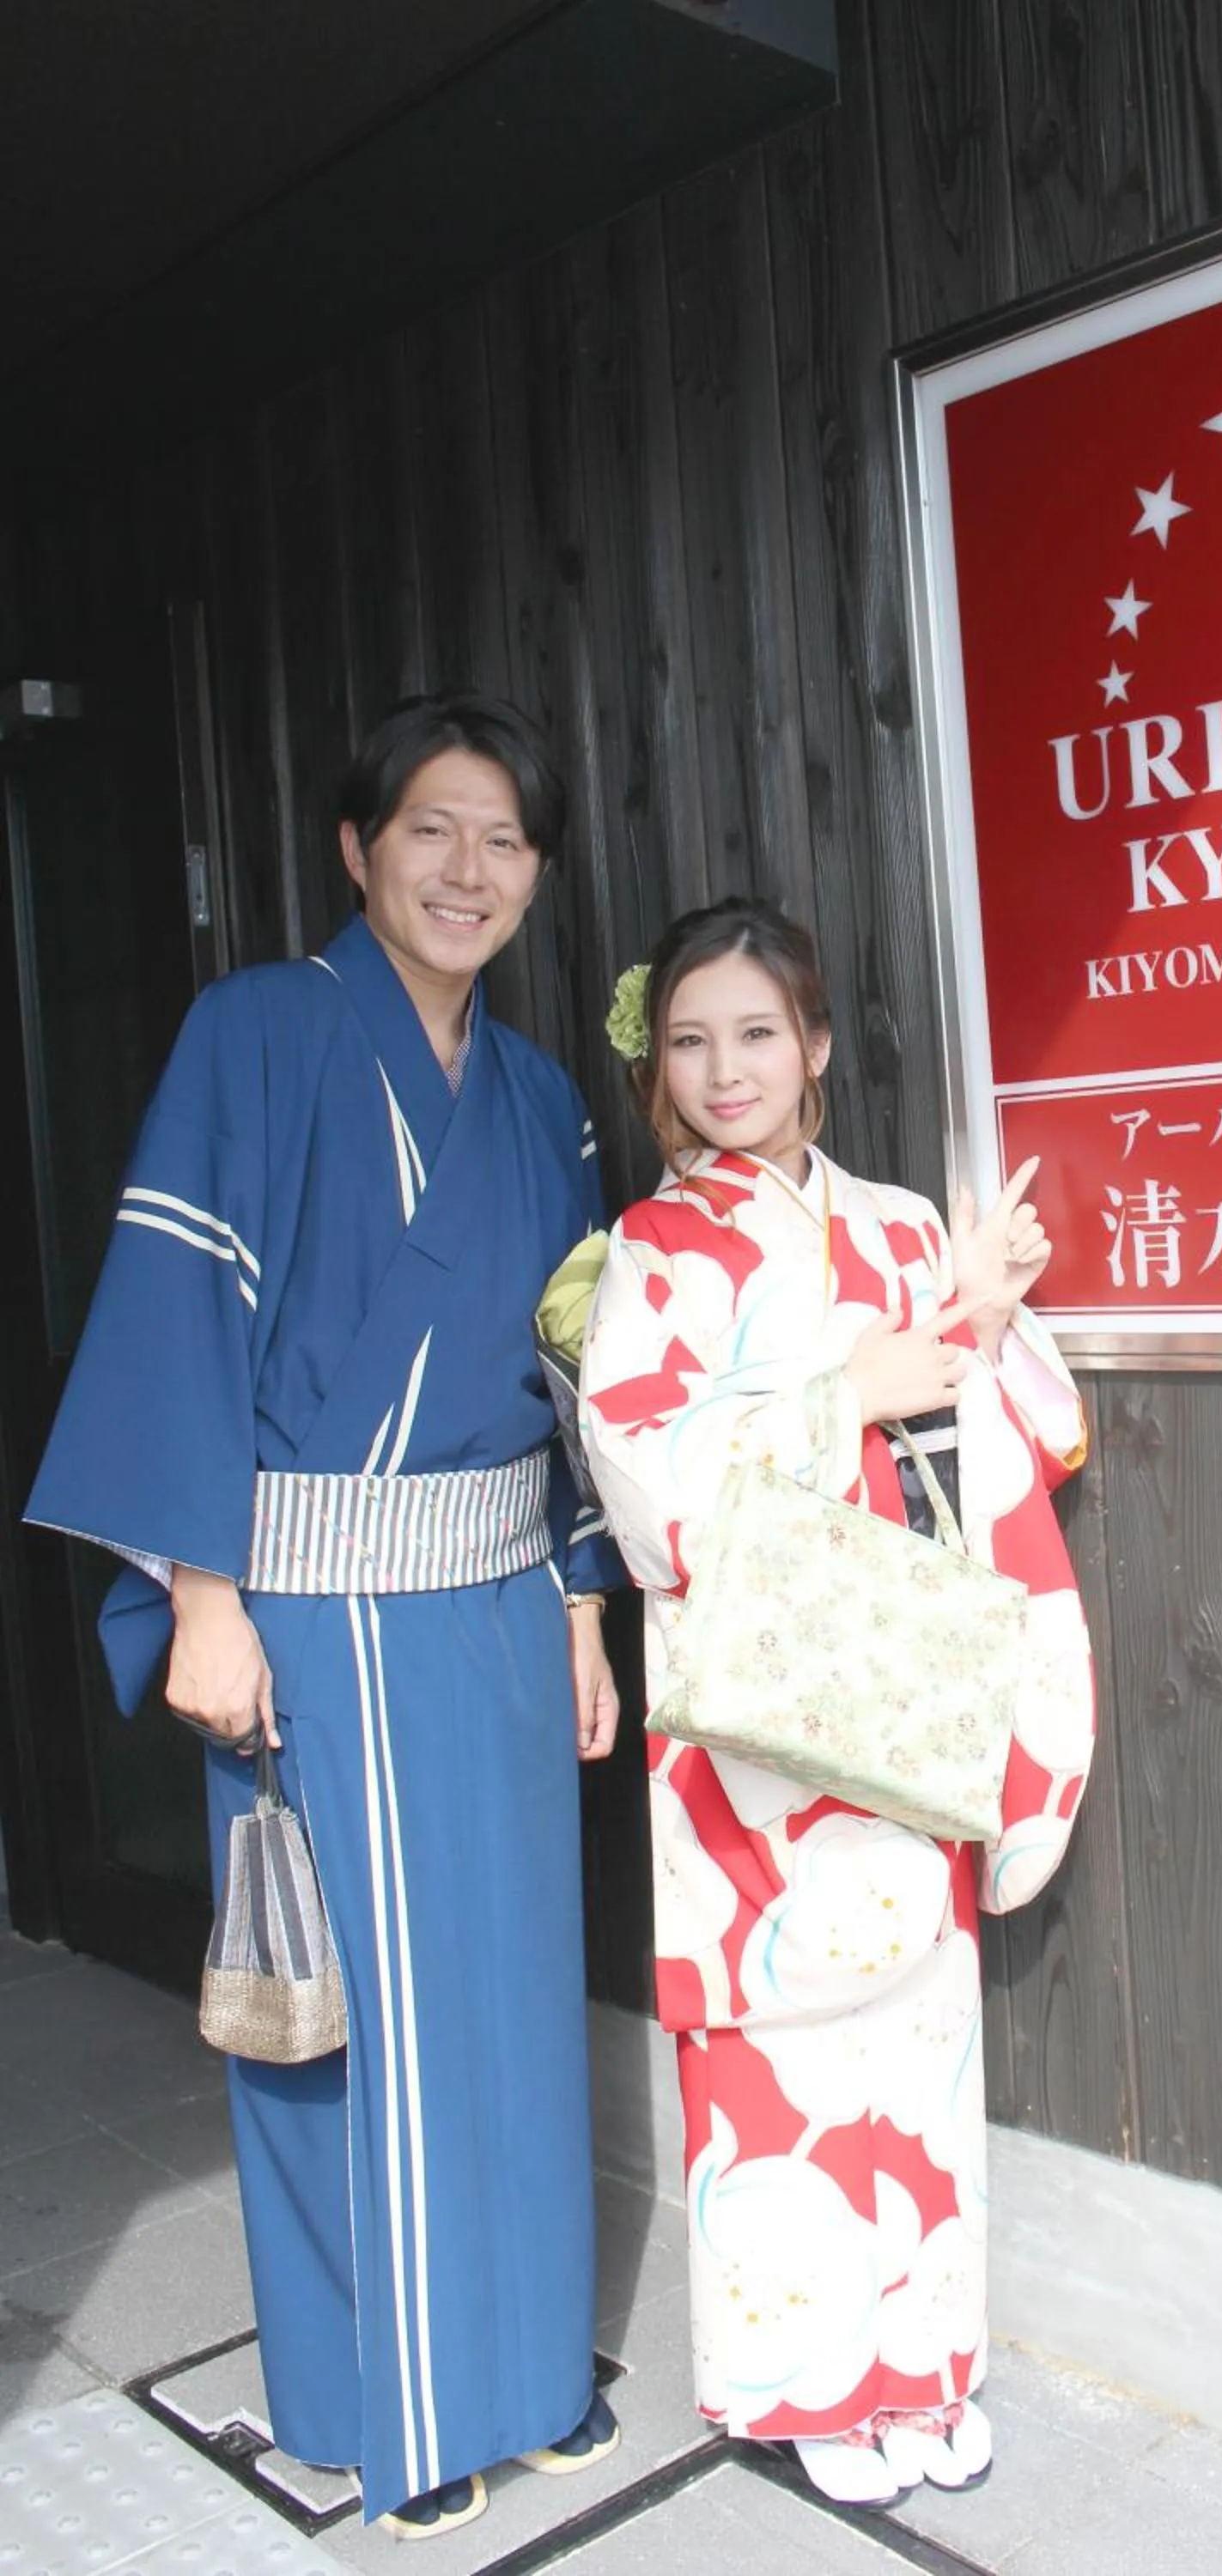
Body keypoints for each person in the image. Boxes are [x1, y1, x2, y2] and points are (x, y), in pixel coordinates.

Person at [27, 692, 628, 2536]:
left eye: (504, 840)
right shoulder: (260, 1033)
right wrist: (199, 1594)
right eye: (430, 831)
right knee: (339, 2008)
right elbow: (173, 1324)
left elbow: (576, 1371)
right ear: (358, 851)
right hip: (311, 1609)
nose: (469, 871)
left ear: (536, 875)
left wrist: (586, 1606)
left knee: (511, 2002)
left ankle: (518, 2369)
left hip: (498, 1604)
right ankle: (376, 2403)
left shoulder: (537, 1099)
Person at [577, 897, 1095, 2509]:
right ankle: (804, 2390)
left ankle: (926, 2369)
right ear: (658, 1068)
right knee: (776, 2058)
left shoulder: (889, 1228)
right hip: (752, 1723)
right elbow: (646, 1491)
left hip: (901, 1694)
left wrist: (983, 1317)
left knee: (918, 2046)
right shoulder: (653, 1253)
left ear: (812, 1045)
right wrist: (838, 1398)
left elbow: (1028, 1439)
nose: (725, 1069)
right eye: (690, 1040)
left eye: (756, 1033)